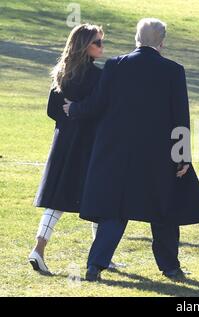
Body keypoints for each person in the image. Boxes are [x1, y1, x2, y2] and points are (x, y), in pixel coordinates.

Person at [63, 18, 199, 281]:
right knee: (164, 211)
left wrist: (74, 109)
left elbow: (98, 103)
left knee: (114, 211)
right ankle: (170, 267)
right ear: (162, 42)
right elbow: (180, 117)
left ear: (137, 38)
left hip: (117, 153)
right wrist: (182, 156)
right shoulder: (173, 70)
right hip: (158, 155)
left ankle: (95, 266)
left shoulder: (115, 65)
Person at [29, 24, 119, 273]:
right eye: (97, 42)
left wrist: (70, 115)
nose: (102, 47)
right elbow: (101, 110)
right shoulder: (98, 76)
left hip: (64, 142)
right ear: (84, 45)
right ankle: (101, 256)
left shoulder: (62, 72)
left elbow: (52, 111)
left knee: (57, 201)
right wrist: (82, 114)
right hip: (89, 145)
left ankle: (39, 249)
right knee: (98, 198)